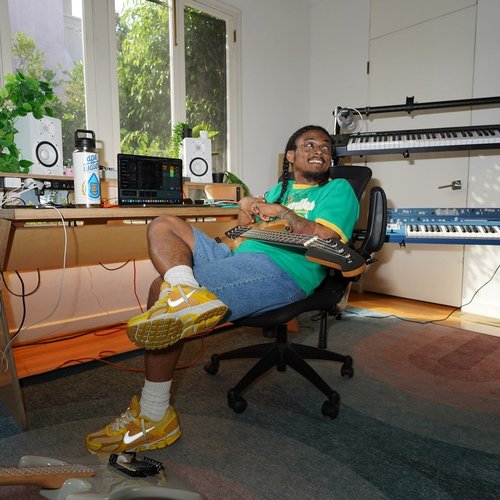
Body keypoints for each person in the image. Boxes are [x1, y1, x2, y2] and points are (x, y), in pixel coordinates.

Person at [85, 125, 360, 454]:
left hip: (283, 271)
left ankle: (154, 414)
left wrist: (283, 213)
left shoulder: (338, 189)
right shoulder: (278, 189)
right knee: (163, 223)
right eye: (309, 145)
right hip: (238, 257)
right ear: (291, 156)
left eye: (325, 147)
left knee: (160, 289)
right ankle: (185, 288)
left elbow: (327, 238)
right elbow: (242, 235)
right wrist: (244, 212)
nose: (319, 151)